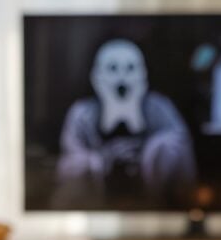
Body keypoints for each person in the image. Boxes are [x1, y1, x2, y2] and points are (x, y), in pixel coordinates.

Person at [56, 39, 196, 207]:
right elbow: (68, 165)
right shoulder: (82, 113)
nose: (122, 79)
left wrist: (150, 154)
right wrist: (102, 160)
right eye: (112, 69)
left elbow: (181, 151)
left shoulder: (160, 107)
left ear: (143, 75)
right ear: (96, 76)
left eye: (130, 69)